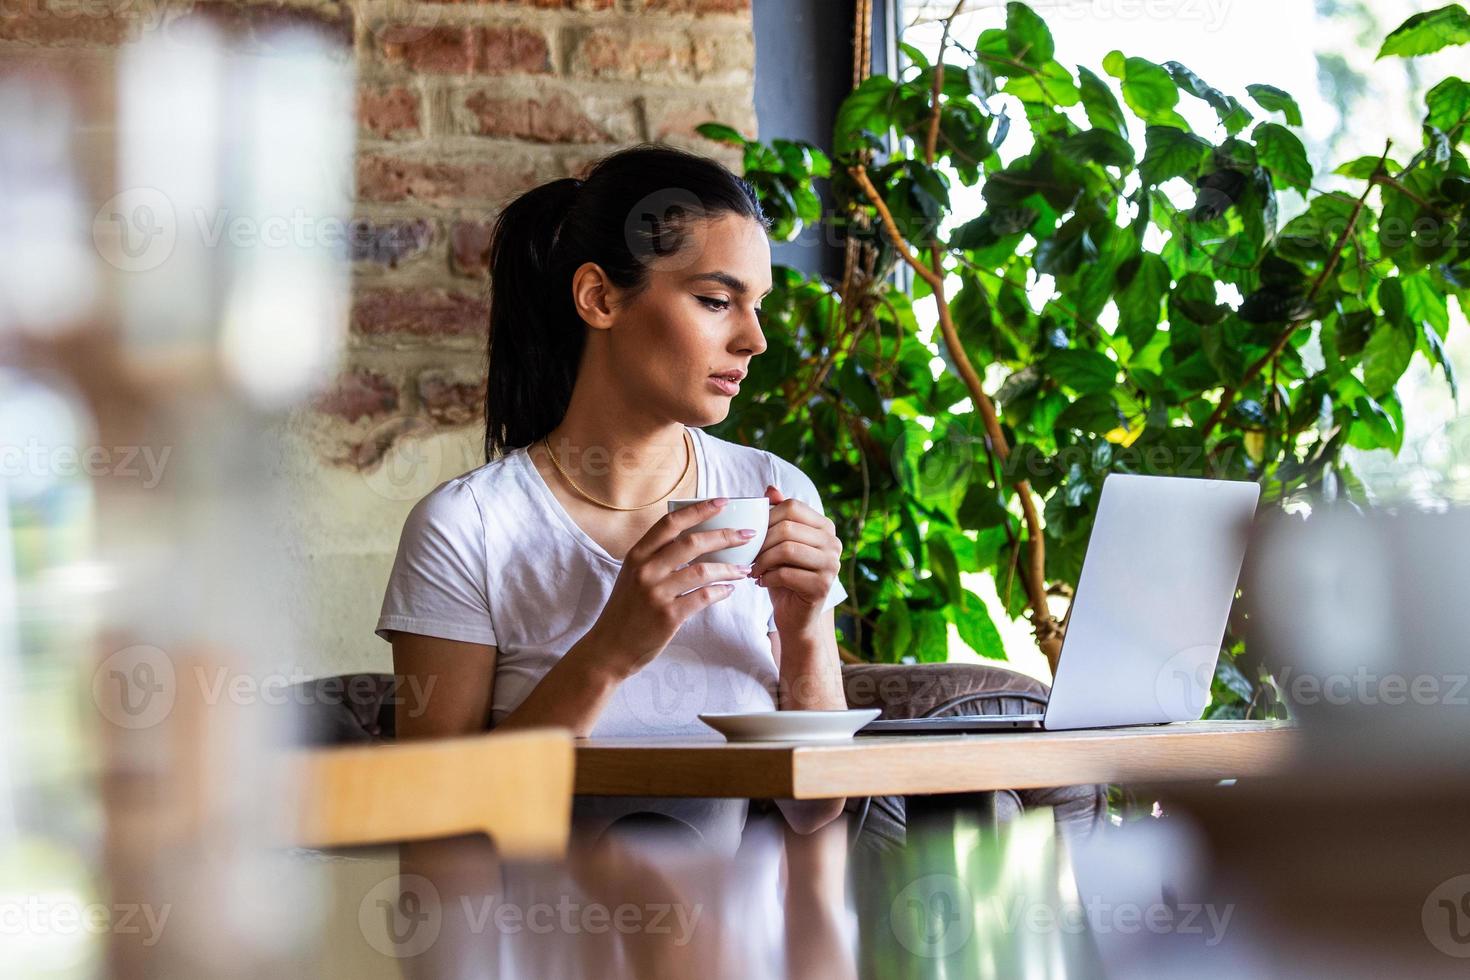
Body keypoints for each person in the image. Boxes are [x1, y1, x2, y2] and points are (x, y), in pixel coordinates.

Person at [376, 143, 850, 854]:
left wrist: (807, 625)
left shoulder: (771, 492)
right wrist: (610, 650)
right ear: (599, 298)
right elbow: (436, 819)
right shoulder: (466, 527)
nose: (754, 339)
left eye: (756, 306)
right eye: (717, 301)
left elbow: (816, 812)